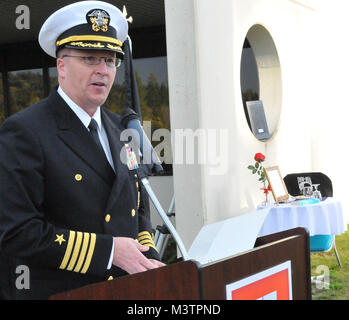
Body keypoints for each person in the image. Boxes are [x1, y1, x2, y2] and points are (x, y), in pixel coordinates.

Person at [0, 1, 164, 300]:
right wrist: (110, 251)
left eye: (111, 60)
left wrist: (146, 256)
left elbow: (137, 209)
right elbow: (17, 233)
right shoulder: (24, 131)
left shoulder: (121, 129)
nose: (103, 70)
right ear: (61, 65)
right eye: (90, 58)